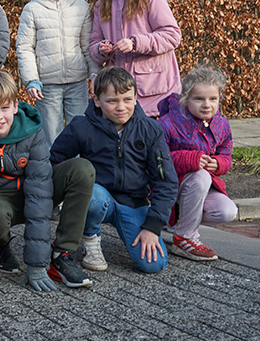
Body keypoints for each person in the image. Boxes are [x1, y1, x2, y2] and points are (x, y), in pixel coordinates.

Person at [0, 70, 95, 290]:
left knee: (81, 169)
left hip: (35, 190)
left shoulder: (32, 131)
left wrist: (37, 265)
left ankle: (61, 254)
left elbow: (39, 195)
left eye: (4, 107)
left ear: (15, 106)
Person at [50, 67, 179, 274]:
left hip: (133, 203)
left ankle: (131, 228)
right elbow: (54, 161)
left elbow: (166, 181)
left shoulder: (151, 130)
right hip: (97, 197)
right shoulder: (81, 127)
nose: (121, 107)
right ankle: (90, 238)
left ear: (136, 98)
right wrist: (62, 197)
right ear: (97, 100)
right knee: (91, 194)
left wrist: (152, 226)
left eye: (127, 99)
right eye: (112, 101)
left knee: (153, 264)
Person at [89, 0, 181, 118]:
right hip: (119, 92)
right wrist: (101, 49)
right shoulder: (102, 4)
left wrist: (135, 43)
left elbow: (172, 35)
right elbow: (93, 43)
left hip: (155, 91)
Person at [157, 64, 238, 261]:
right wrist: (190, 159)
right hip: (169, 185)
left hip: (200, 187)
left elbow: (226, 154)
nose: (206, 105)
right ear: (185, 99)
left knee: (227, 212)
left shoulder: (222, 125)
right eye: (199, 99)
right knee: (201, 176)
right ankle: (185, 238)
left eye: (213, 99)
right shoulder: (168, 123)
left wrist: (219, 164)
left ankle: (178, 222)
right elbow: (157, 158)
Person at [17, 0, 95, 147]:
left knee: (79, 134)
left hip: (77, 83)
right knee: (51, 137)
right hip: (47, 86)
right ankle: (53, 167)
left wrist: (95, 74)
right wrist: (31, 79)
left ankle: (78, 167)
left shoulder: (81, 7)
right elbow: (25, 47)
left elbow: (87, 45)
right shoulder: (32, 9)